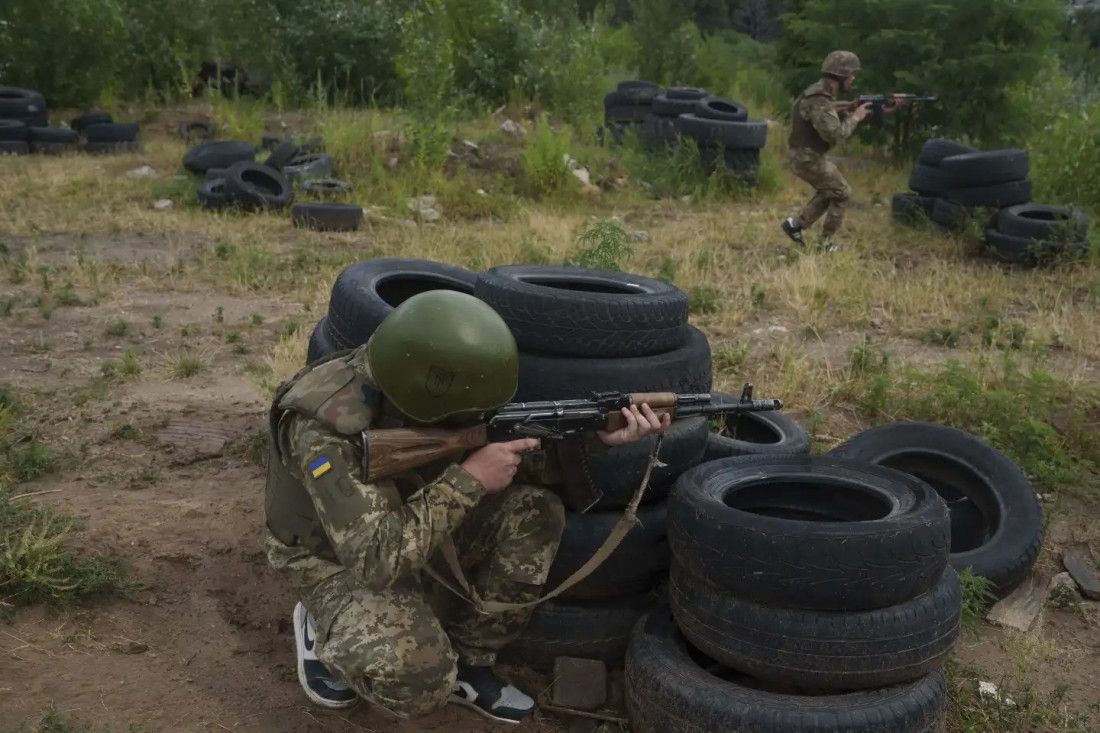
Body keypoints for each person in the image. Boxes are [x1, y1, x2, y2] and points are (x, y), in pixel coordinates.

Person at [262, 290, 669, 725]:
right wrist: (470, 479)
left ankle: (471, 663)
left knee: (534, 512)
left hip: (409, 518)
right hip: (330, 557)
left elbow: (516, 458)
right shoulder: (323, 424)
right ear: (432, 398)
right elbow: (373, 561)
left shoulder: (428, 387)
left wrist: (597, 438)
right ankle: (320, 622)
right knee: (419, 682)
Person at [780, 50, 900, 250]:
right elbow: (834, 134)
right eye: (851, 75)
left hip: (806, 156)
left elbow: (832, 111)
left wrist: (862, 109)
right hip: (806, 158)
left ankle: (795, 225)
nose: (853, 79)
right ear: (842, 75)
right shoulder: (819, 98)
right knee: (842, 193)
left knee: (831, 190)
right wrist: (856, 116)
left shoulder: (821, 94)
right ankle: (824, 243)